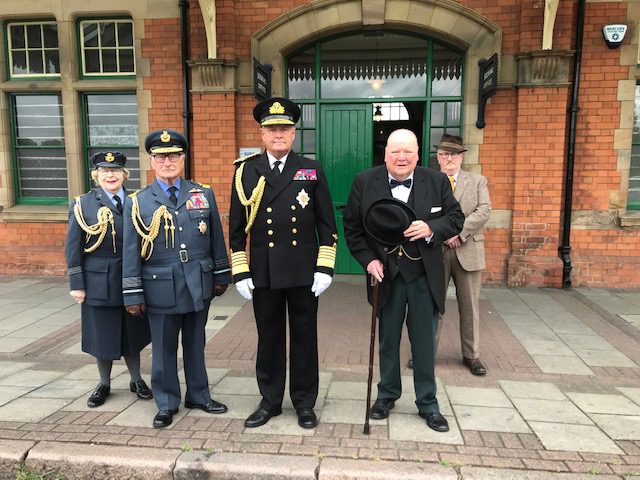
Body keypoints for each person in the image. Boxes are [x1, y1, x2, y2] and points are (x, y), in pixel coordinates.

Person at [343, 129, 464, 432]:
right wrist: (368, 260)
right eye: (395, 151)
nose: (401, 157)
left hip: (424, 276)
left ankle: (428, 403)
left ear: (417, 155)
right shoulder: (364, 181)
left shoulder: (436, 181)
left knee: (424, 343)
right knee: (388, 340)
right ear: (385, 154)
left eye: (408, 151)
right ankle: (386, 395)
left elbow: (456, 218)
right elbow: (353, 228)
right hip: (387, 276)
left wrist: (431, 228)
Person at [229, 97, 337, 429]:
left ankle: (304, 402)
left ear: (293, 133)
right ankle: (270, 400)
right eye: (272, 128)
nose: (279, 134)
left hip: (303, 271)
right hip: (264, 271)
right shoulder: (246, 171)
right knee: (269, 337)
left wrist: (325, 267)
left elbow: (326, 223)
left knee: (305, 338)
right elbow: (236, 227)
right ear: (262, 134)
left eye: (285, 128)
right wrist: (240, 269)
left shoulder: (311, 169)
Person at [122, 129, 231, 428]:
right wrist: (132, 293)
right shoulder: (138, 201)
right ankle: (167, 402)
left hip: (197, 283)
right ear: (151, 162)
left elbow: (215, 238)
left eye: (173, 156)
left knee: (196, 344)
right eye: (160, 157)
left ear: (183, 158)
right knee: (163, 348)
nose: (167, 162)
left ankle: (198, 395)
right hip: (160, 287)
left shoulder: (202, 193)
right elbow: (130, 252)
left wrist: (221, 273)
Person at [65, 151, 153, 408]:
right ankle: (104, 383)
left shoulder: (138, 201)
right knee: (101, 335)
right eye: (104, 171)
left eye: (115, 171)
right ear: (96, 176)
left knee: (133, 333)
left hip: (132, 279)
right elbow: (73, 247)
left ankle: (136, 379)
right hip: (98, 282)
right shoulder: (82, 204)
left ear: (124, 175)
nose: (110, 175)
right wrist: (77, 284)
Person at [436, 134, 491, 376]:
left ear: (461, 157)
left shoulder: (477, 181)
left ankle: (472, 355)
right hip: (437, 251)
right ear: (438, 157)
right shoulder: (430, 181)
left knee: (469, 307)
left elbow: (484, 211)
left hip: (467, 249)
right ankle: (425, 352)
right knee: (432, 305)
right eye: (444, 154)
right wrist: (442, 233)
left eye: (454, 154)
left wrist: (458, 233)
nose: (449, 158)